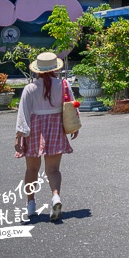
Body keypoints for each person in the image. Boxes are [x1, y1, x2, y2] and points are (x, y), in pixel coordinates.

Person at [14, 52, 78, 222]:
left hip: (34, 129)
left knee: (31, 169)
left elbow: (23, 113)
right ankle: (55, 197)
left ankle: (31, 205)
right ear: (55, 68)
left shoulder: (30, 88)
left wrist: (19, 136)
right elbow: (71, 105)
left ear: (37, 70)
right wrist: (75, 126)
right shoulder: (63, 84)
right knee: (53, 169)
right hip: (55, 127)